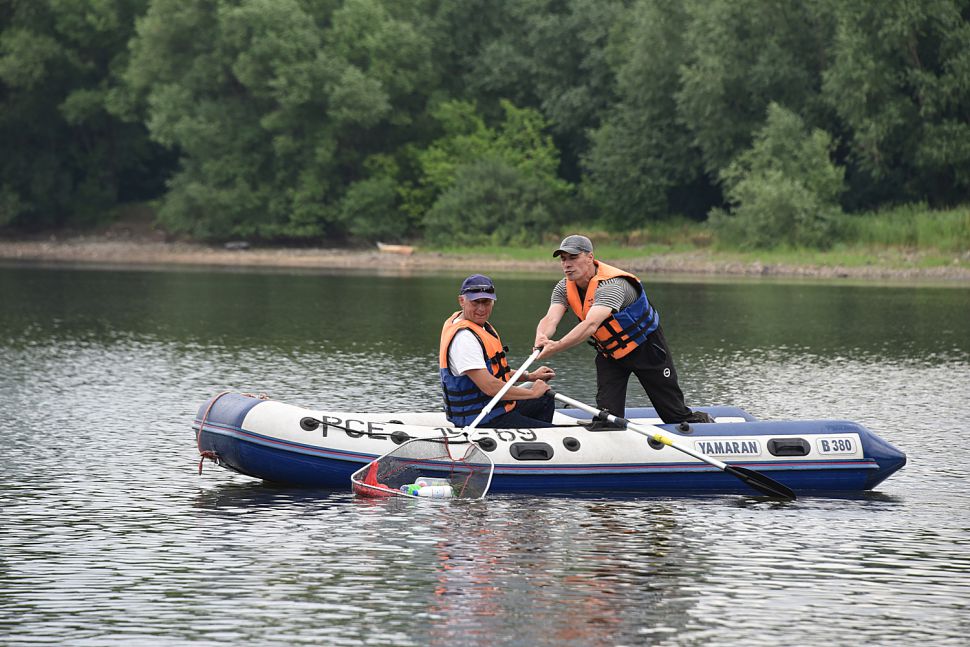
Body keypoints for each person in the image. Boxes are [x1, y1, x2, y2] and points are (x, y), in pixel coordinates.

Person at [534, 235, 712, 426]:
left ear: (590, 257)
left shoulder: (612, 285)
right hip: (610, 354)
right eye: (563, 259)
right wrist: (541, 337)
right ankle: (608, 433)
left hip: (646, 350)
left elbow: (591, 325)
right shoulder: (563, 287)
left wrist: (557, 347)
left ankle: (705, 424)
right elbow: (550, 319)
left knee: (674, 416)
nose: (567, 264)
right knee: (607, 417)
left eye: (573, 257)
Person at [440, 274, 558, 428]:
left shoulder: (478, 326)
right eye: (475, 302)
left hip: (496, 408)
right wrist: (532, 393)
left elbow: (496, 372)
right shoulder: (465, 338)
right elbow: (489, 386)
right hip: (481, 419)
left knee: (544, 399)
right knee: (539, 399)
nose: (481, 309)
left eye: (486, 302)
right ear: (462, 301)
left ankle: (537, 435)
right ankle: (541, 436)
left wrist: (529, 376)